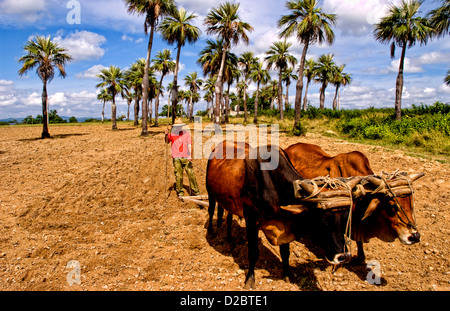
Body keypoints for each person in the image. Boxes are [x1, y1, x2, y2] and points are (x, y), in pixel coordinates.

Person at [165, 119, 200, 198]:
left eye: (180, 126)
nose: (178, 128)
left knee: (191, 174)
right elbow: (167, 141)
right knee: (178, 175)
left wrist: (190, 155)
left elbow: (189, 145)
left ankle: (196, 191)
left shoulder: (186, 134)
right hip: (176, 158)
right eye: (177, 127)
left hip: (186, 157)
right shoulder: (171, 134)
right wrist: (166, 135)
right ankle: (180, 192)